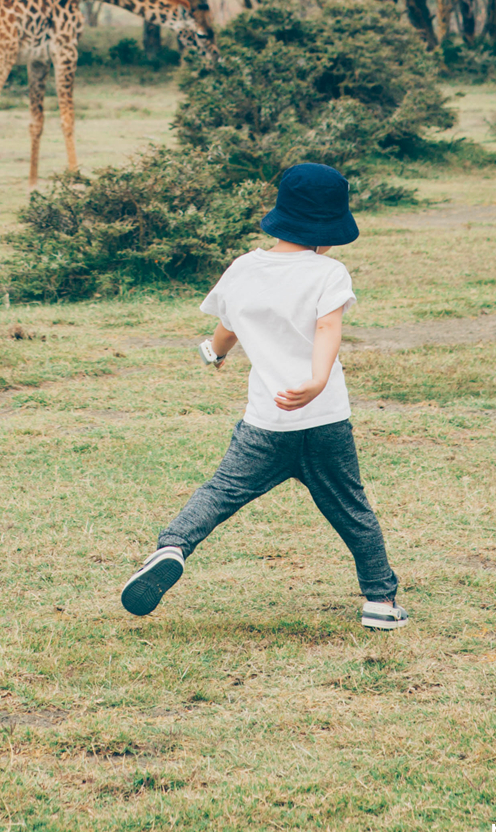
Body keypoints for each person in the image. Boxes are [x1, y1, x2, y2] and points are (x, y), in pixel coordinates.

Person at [120, 161, 408, 631]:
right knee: (351, 507)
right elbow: (328, 326)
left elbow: (227, 326)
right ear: (328, 227)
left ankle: (171, 547)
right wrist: (315, 382)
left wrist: (213, 353)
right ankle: (380, 601)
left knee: (219, 492)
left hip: (266, 423)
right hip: (324, 420)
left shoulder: (243, 269)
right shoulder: (328, 272)